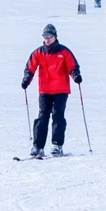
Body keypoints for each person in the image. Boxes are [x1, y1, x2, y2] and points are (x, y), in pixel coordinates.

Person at [21, 24, 81, 158]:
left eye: (49, 37)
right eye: (45, 37)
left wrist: (76, 75)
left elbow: (72, 66)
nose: (47, 39)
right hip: (45, 90)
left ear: (55, 37)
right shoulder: (38, 52)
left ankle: (57, 145)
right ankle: (38, 146)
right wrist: (26, 80)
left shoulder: (64, 52)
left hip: (61, 90)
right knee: (42, 117)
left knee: (58, 116)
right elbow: (30, 68)